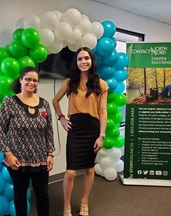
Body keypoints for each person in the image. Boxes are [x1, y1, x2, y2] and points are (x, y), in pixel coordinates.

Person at [52, 47, 108, 216]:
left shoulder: (101, 84)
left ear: (92, 61)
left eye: (86, 58)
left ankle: (85, 201)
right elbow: (55, 101)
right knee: (70, 172)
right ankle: (67, 205)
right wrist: (61, 117)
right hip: (76, 129)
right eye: (79, 59)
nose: (83, 62)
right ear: (76, 63)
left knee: (89, 170)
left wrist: (101, 135)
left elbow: (103, 111)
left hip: (92, 128)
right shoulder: (70, 82)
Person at [0, 66, 55, 216]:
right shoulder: (9, 102)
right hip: (17, 160)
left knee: (42, 194)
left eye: (35, 80)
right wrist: (8, 155)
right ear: (21, 80)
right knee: (20, 195)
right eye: (28, 79)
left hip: (40, 159)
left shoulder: (44, 104)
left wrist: (50, 154)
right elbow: (0, 129)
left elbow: (49, 130)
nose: (32, 82)